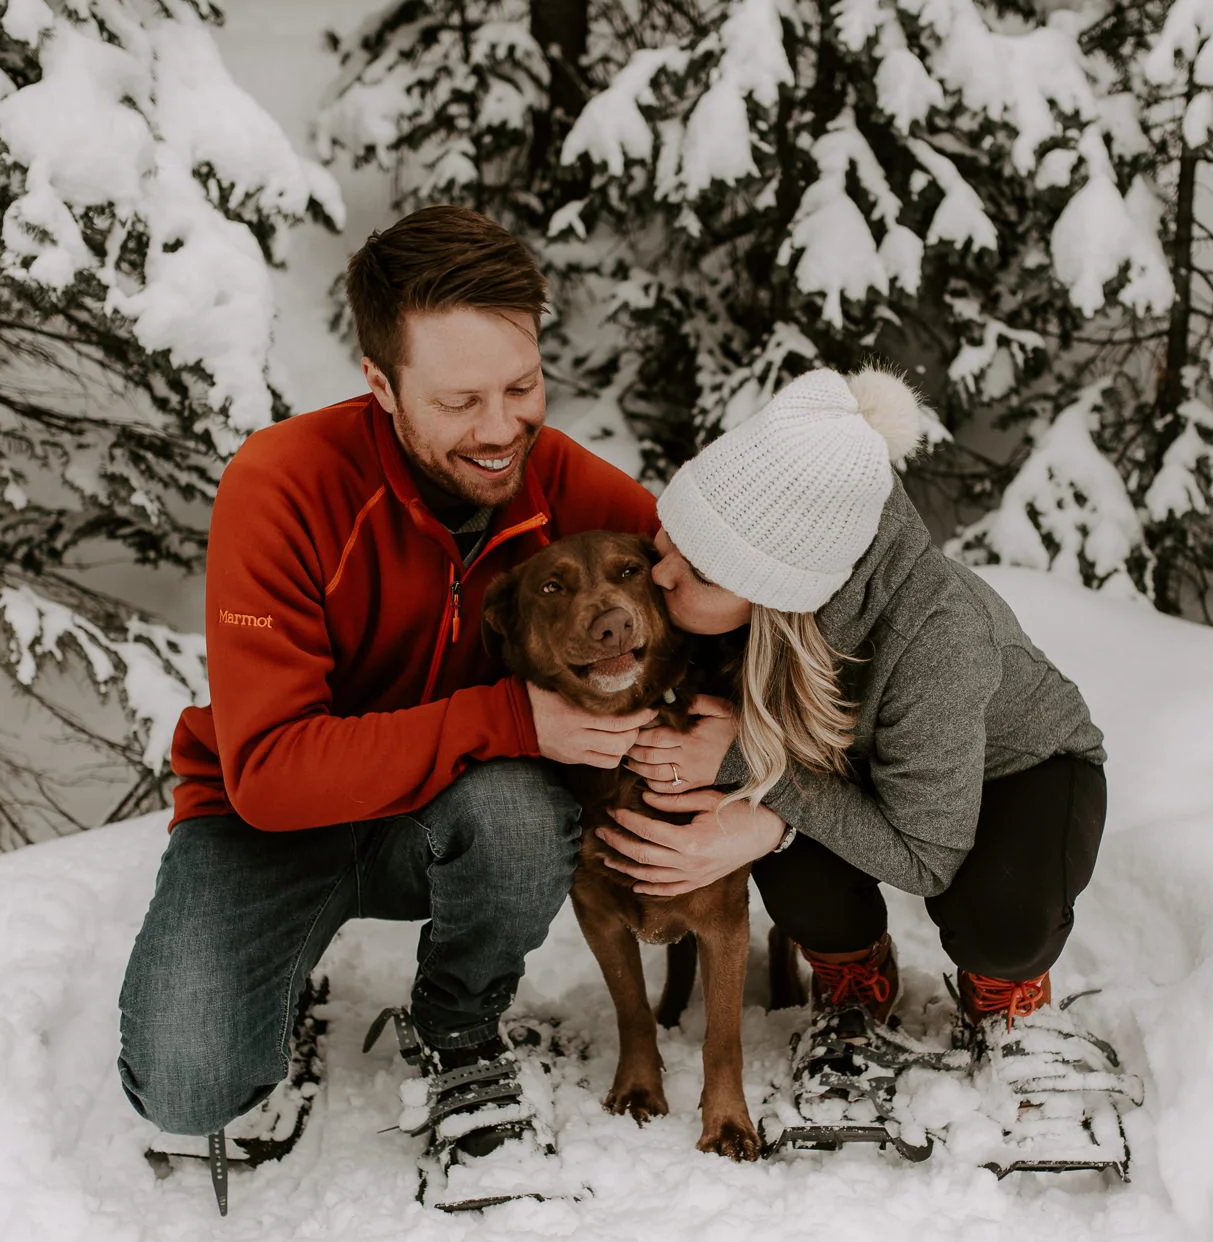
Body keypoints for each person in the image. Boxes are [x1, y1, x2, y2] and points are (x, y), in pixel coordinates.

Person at [116, 206, 658, 1177]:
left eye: (522, 386)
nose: (502, 431)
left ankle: (455, 1021)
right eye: (459, 402)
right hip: (272, 823)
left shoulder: (570, 490)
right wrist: (508, 717)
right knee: (190, 1084)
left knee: (522, 810)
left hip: (454, 812)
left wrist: (742, 779)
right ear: (379, 384)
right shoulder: (282, 486)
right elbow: (271, 776)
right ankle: (279, 974)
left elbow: (726, 601)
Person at [598, 367, 1108, 1041]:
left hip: (1018, 770)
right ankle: (854, 974)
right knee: (789, 855)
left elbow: (927, 859)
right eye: (671, 535)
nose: (660, 573)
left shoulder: (938, 638)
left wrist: (757, 778)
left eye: (701, 571)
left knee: (1002, 922)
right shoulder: (768, 575)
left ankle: (1006, 995)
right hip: (852, 762)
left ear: (776, 593)